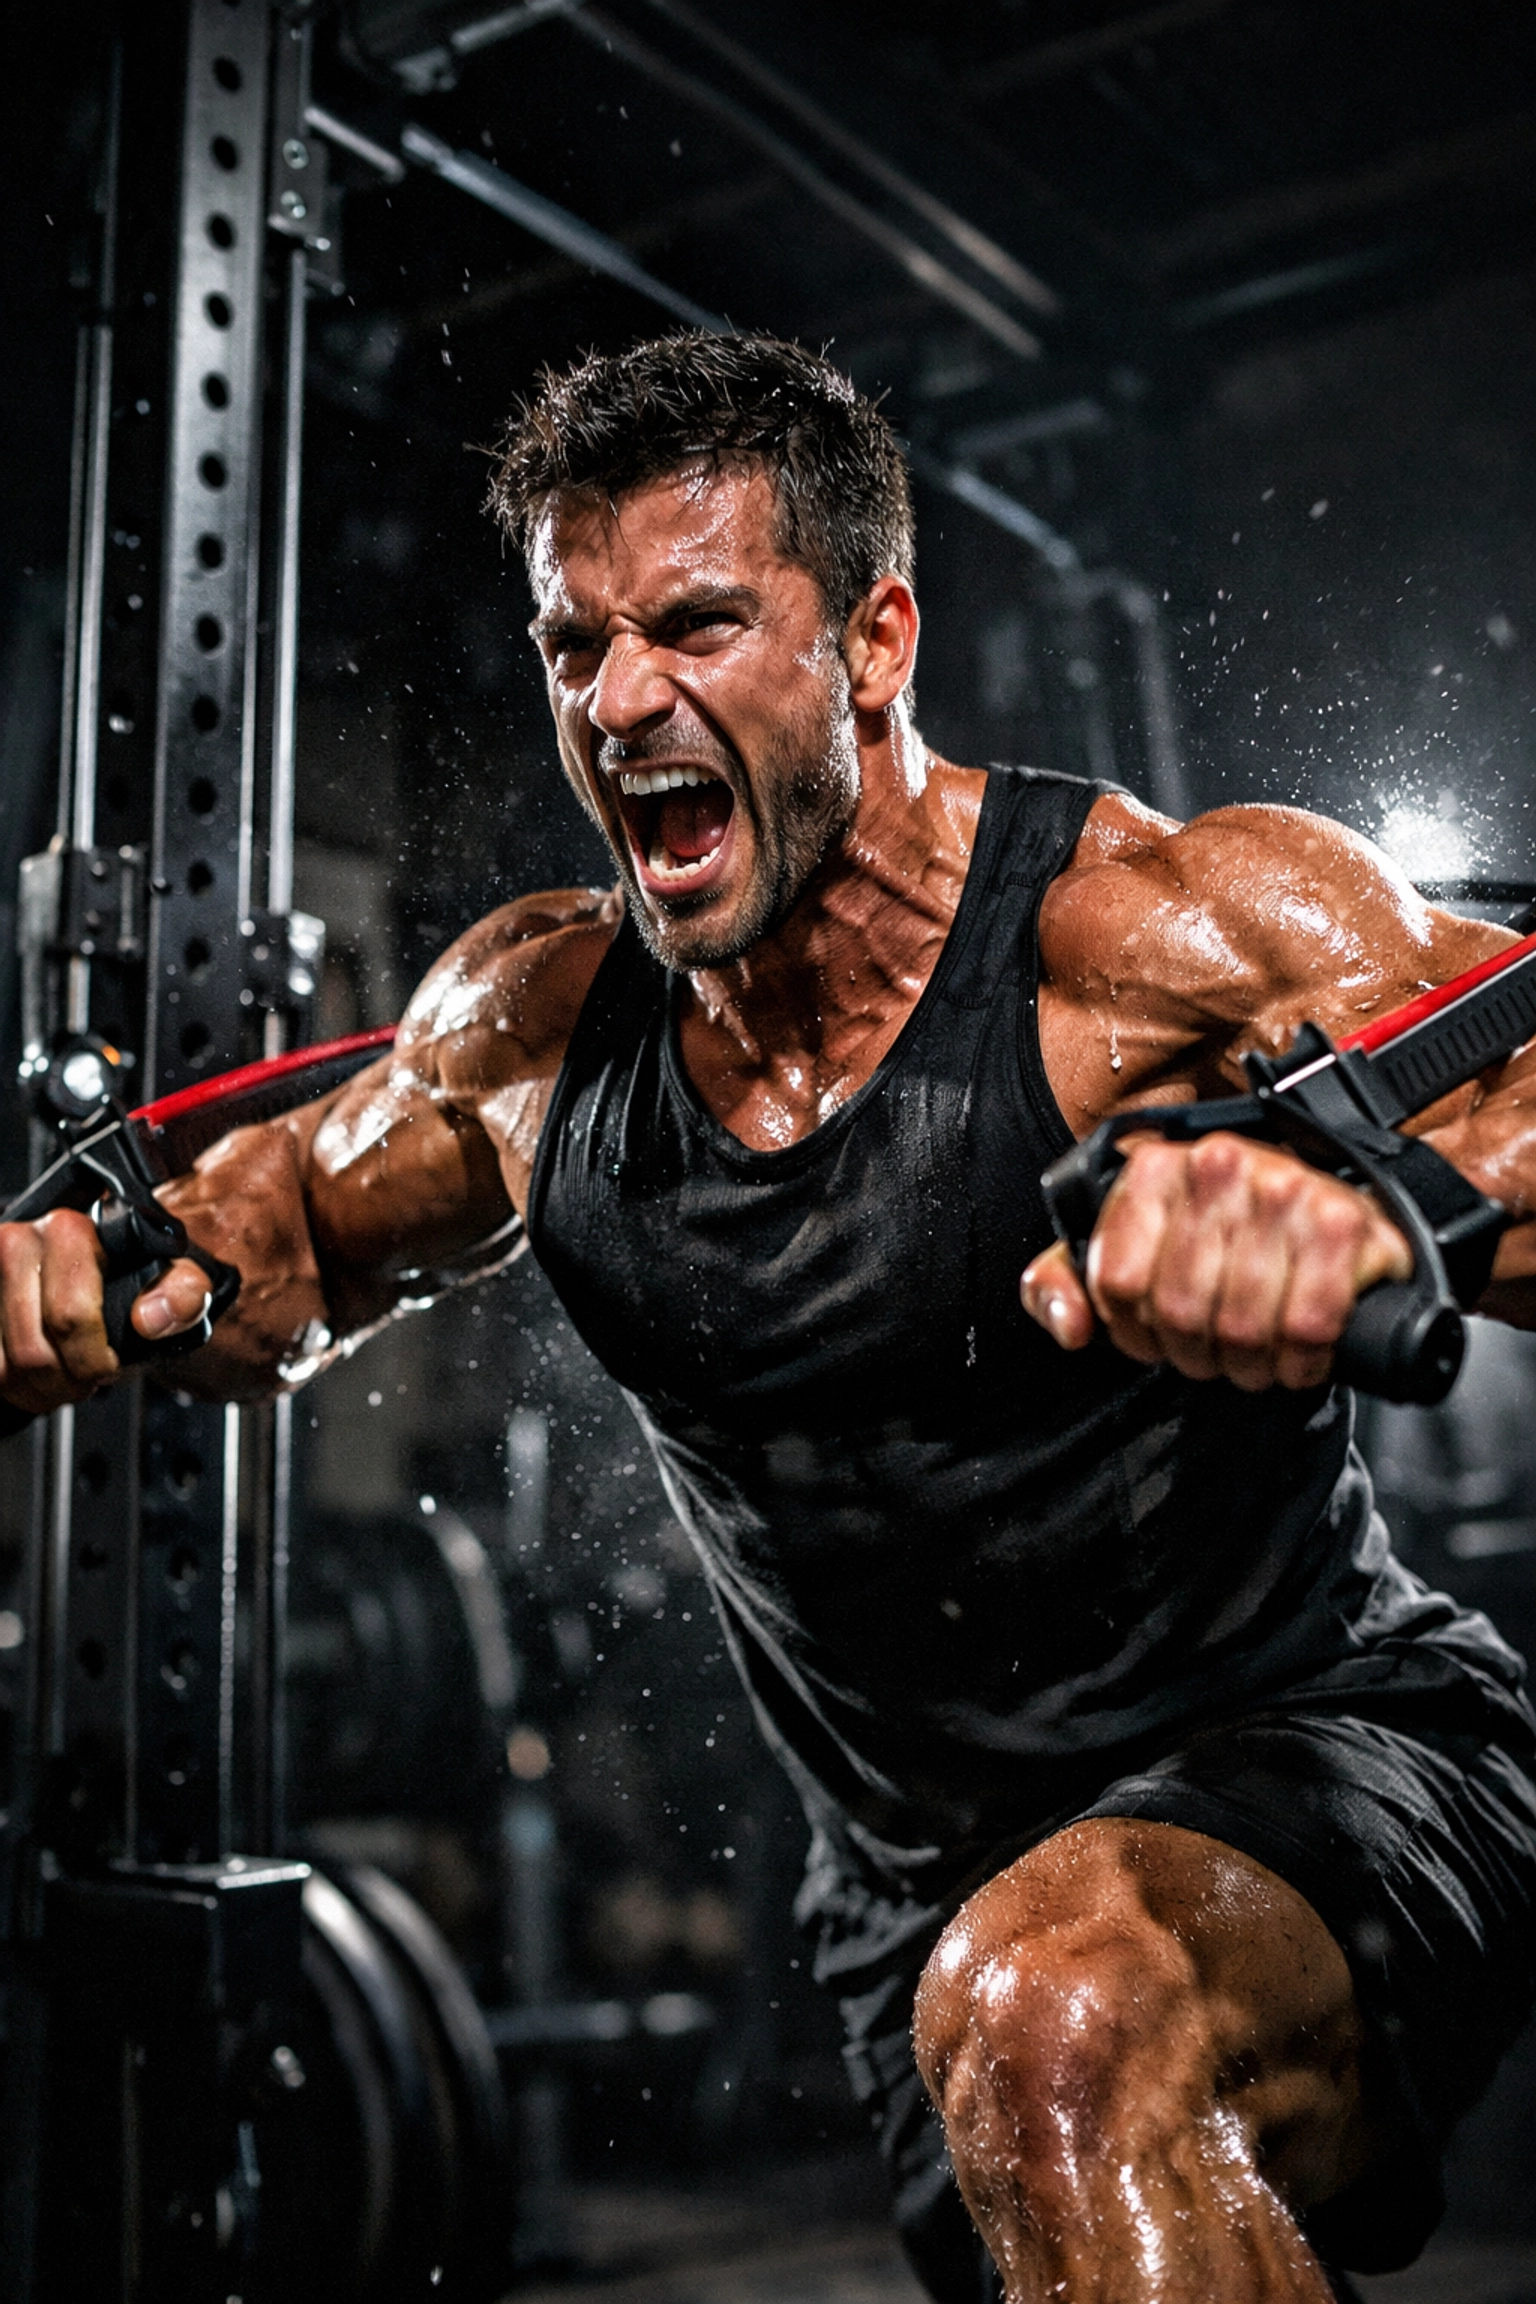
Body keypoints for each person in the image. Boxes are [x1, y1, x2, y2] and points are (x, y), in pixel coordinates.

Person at [4, 333, 1536, 2304]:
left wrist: (1380, 1216)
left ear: (876, 639)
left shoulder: (1156, 932)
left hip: (1341, 1760)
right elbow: (274, 1233)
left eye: (699, 625)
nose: (622, 698)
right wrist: (87, 1287)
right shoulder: (537, 1033)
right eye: (576, 647)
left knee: (1063, 2022)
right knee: (1031, 2040)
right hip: (915, 1921)